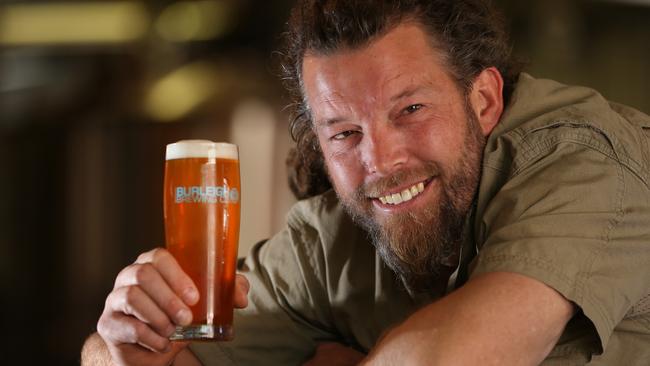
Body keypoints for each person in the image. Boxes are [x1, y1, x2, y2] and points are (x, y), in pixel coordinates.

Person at [81, 0, 650, 365]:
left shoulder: (579, 162)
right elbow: (125, 357)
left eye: (410, 110)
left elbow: (452, 360)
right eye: (345, 132)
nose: (380, 161)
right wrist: (130, 345)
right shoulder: (329, 238)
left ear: (484, 100)